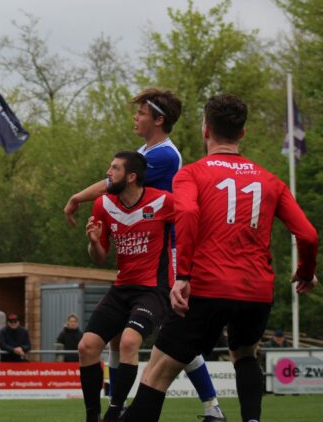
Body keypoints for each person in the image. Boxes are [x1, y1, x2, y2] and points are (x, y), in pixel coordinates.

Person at [120, 94, 319, 422]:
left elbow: (186, 214)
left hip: (207, 287)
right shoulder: (271, 181)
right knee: (245, 354)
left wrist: (183, 276)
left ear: (206, 130)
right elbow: (308, 235)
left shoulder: (191, 174)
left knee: (157, 373)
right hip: (255, 291)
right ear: (242, 133)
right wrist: (306, 271)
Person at [64, 87, 226, 420]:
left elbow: (113, 183)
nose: (135, 117)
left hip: (166, 251)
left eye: (141, 112)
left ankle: (211, 405)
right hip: (139, 251)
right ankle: (117, 404)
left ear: (159, 119)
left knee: (173, 334)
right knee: (115, 340)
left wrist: (77, 197)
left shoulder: (163, 155)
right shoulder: (143, 151)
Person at [75, 151, 175, 421]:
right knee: (86, 346)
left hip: (153, 289)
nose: (108, 173)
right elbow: (99, 258)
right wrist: (94, 242)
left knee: (129, 341)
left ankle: (115, 410)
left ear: (131, 177)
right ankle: (92, 416)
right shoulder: (103, 204)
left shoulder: (164, 201)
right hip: (122, 288)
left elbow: (193, 223)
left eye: (115, 168)